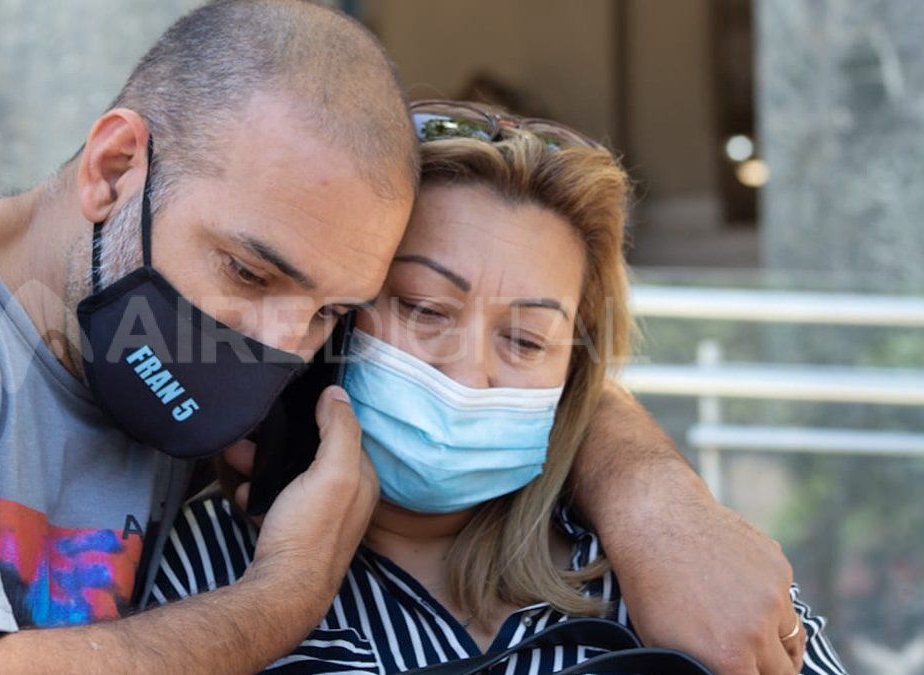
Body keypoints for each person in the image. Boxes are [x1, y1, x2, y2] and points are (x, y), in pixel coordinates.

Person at [0, 2, 807, 674]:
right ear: (112, 169)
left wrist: (656, 501)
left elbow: (502, 351)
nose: (278, 345)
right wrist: (285, 593)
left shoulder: (177, 338)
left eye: (335, 310)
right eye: (250, 271)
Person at [152, 102, 847, 674]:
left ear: (572, 376)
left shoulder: (673, 583)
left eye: (526, 340)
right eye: (425, 308)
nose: (469, 372)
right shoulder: (205, 568)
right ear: (333, 314)